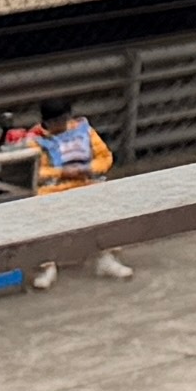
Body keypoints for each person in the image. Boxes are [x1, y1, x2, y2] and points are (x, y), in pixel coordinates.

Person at [25, 106, 130, 288]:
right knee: (42, 214)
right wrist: (62, 172)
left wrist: (88, 169)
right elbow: (35, 171)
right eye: (54, 122)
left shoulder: (85, 131)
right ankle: (47, 266)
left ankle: (105, 258)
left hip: (85, 183)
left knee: (107, 204)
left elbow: (105, 157)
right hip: (53, 190)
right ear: (45, 122)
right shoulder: (35, 140)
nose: (59, 125)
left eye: (62, 120)